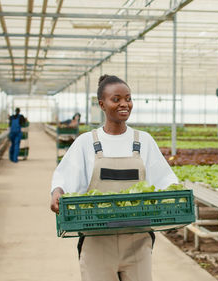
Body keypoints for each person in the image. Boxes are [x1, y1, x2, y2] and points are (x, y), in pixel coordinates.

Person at [50, 75, 178, 281]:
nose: (124, 104)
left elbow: (166, 179)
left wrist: (175, 192)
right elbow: (64, 177)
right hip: (96, 241)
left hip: (137, 240)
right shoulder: (86, 142)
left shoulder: (143, 141)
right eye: (116, 99)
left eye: (128, 98)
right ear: (102, 104)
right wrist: (57, 191)